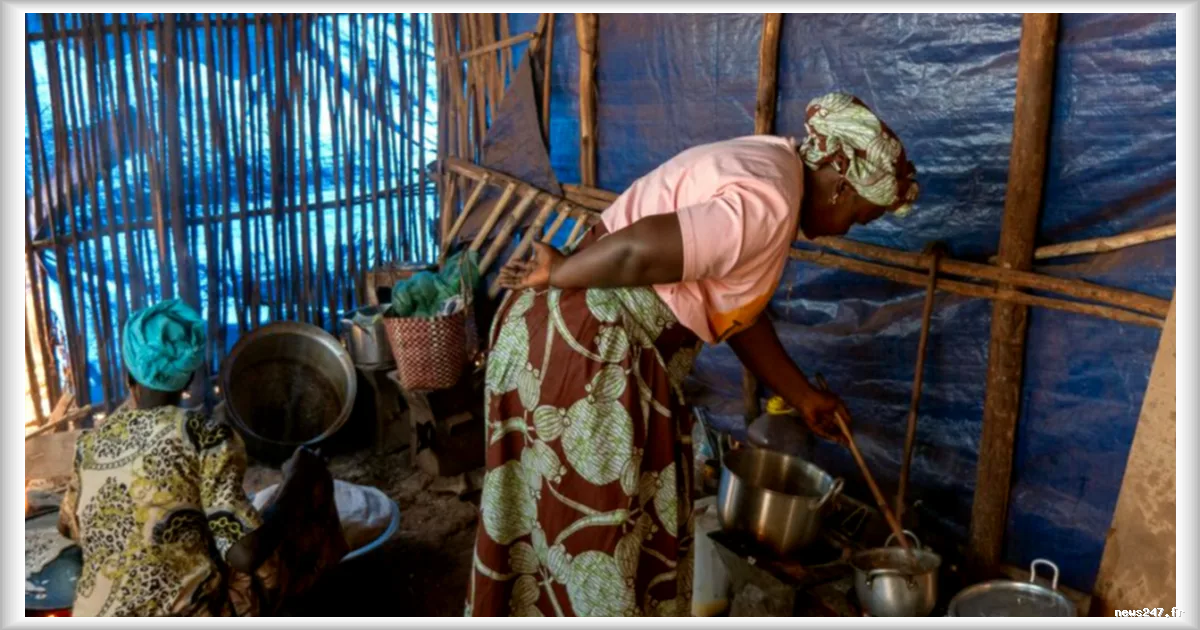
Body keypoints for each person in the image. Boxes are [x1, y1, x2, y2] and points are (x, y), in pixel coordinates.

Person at [467, 92, 920, 617]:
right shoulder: (771, 203)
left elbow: (732, 305)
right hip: (592, 356)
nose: (846, 231)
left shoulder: (774, 167)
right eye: (859, 218)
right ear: (841, 187)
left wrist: (802, 396)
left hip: (565, 344)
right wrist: (562, 271)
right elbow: (639, 250)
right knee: (599, 548)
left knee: (551, 537)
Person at [58, 299, 345, 617]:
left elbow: (69, 528)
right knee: (303, 497)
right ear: (189, 379)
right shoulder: (205, 436)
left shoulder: (90, 444)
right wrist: (297, 481)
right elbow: (244, 554)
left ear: (129, 376)